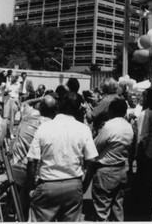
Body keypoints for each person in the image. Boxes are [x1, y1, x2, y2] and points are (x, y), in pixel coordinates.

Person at [27, 91, 98, 222]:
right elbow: (92, 160)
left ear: (58, 105)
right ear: (78, 108)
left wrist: (32, 189)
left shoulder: (44, 128)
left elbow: (32, 161)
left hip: (47, 185)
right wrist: (84, 185)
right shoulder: (83, 129)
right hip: (73, 185)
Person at [85, 98, 134, 221]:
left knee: (102, 211)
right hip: (121, 169)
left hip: (106, 172)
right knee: (118, 209)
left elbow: (94, 146)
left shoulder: (109, 127)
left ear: (111, 111)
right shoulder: (129, 127)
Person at [11, 95, 57, 219]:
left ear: (40, 106)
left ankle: (20, 213)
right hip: (37, 175)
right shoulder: (53, 126)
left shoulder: (27, 115)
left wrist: (39, 98)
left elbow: (24, 102)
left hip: (16, 169)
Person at [135, 87, 152, 219]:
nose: (142, 98)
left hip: (147, 151)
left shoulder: (147, 113)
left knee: (145, 181)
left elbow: (144, 136)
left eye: (144, 96)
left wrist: (139, 153)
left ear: (147, 98)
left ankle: (142, 209)